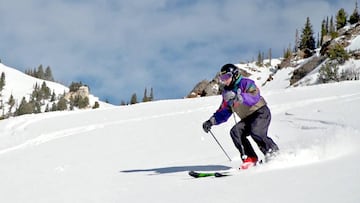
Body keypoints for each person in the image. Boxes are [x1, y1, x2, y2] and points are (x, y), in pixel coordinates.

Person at [202, 63, 279, 169]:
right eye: (222, 78)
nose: (224, 80)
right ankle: (250, 158)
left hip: (260, 112)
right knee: (235, 132)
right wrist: (211, 121)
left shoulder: (246, 83)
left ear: (235, 75)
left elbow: (255, 96)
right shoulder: (227, 93)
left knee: (256, 131)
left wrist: (240, 97)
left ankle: (273, 154)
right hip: (247, 118)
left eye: (226, 77)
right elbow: (224, 111)